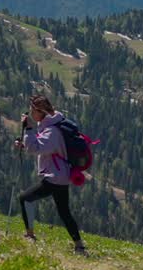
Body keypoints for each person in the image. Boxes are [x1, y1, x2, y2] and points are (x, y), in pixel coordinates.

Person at [13, 94, 87, 255]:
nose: (30, 113)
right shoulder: (53, 124)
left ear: (40, 112)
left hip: (54, 177)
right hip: (60, 176)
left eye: (32, 110)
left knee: (25, 198)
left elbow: (37, 148)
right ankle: (79, 246)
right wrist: (25, 142)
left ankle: (30, 235)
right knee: (64, 212)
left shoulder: (52, 131)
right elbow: (41, 146)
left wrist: (29, 129)